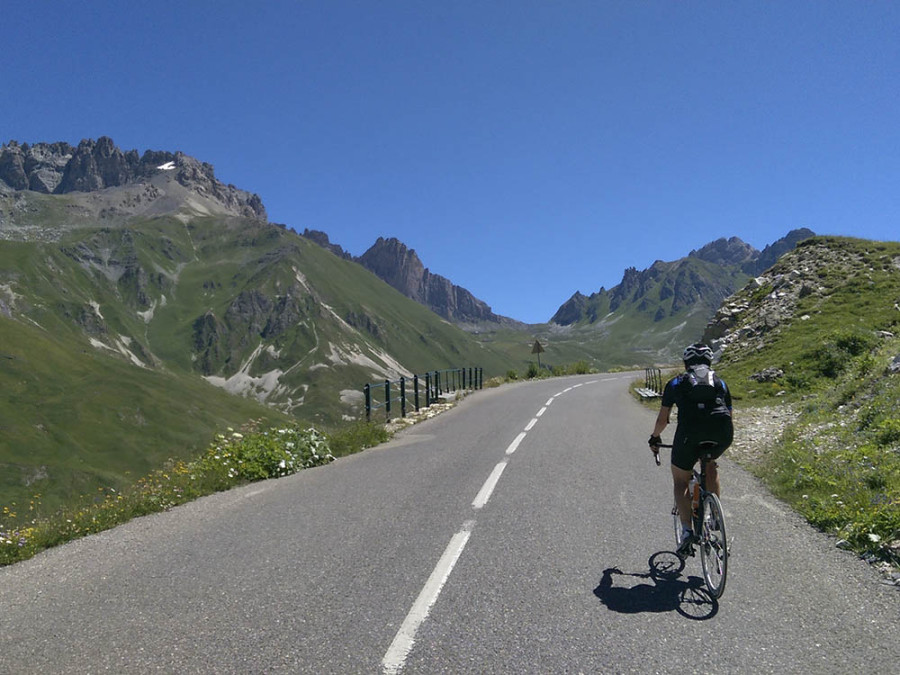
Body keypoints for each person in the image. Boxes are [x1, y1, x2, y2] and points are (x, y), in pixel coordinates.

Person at [648, 343, 733, 555]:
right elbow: (730, 417)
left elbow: (663, 419)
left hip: (689, 436)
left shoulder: (676, 383)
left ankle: (687, 530)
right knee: (710, 464)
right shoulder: (720, 384)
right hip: (721, 433)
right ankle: (714, 516)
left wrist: (655, 437)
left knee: (680, 480)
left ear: (686, 363)